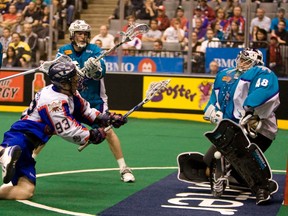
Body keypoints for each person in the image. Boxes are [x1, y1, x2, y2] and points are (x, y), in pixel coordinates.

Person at [0, 61, 127, 199]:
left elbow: (85, 111)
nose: (78, 80)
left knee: (26, 191)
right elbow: (68, 130)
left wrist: (107, 118)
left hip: (28, 145)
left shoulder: (69, 93)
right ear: (63, 83)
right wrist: (91, 135)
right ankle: (4, 150)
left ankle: (6, 152)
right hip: (20, 137)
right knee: (11, 149)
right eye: (73, 79)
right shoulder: (54, 102)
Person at [55, 20, 135, 183]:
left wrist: (95, 70)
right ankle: (31, 158)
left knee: (108, 131)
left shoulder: (95, 50)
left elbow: (102, 73)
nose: (82, 36)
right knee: (47, 127)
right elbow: (56, 72)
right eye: (79, 33)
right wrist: (71, 70)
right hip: (72, 99)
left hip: (94, 101)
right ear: (72, 35)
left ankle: (124, 168)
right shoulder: (63, 51)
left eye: (85, 34)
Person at [203, 48, 280, 204]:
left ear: (256, 62)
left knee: (243, 158)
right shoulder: (227, 74)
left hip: (259, 129)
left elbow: (263, 93)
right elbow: (215, 98)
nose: (242, 63)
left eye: (247, 61)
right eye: (241, 59)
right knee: (208, 160)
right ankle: (237, 175)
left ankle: (263, 188)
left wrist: (251, 111)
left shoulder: (262, 72)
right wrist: (213, 111)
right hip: (234, 129)